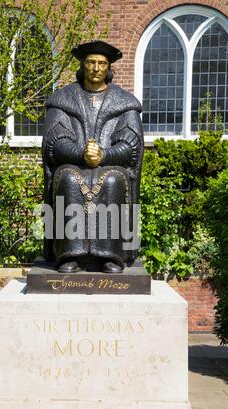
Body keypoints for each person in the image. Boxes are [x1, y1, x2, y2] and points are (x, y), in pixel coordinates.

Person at [42, 40, 144, 273]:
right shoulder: (63, 99)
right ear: (82, 66)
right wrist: (81, 154)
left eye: (102, 63)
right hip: (73, 163)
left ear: (109, 68)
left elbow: (131, 145)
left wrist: (104, 155)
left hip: (111, 164)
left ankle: (110, 255)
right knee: (67, 178)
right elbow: (55, 141)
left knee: (112, 180)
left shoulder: (125, 103)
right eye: (91, 63)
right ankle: (69, 255)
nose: (96, 68)